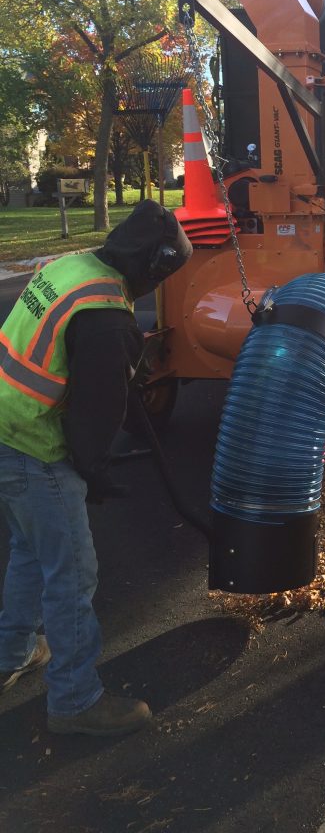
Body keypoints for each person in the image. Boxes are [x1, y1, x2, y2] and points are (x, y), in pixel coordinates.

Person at [0, 199, 192, 736]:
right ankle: (76, 700)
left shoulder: (74, 266)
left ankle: (10, 653)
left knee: (30, 551)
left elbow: (94, 372)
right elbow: (94, 414)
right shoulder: (108, 319)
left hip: (3, 425)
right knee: (72, 573)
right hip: (32, 444)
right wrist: (94, 471)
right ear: (152, 269)